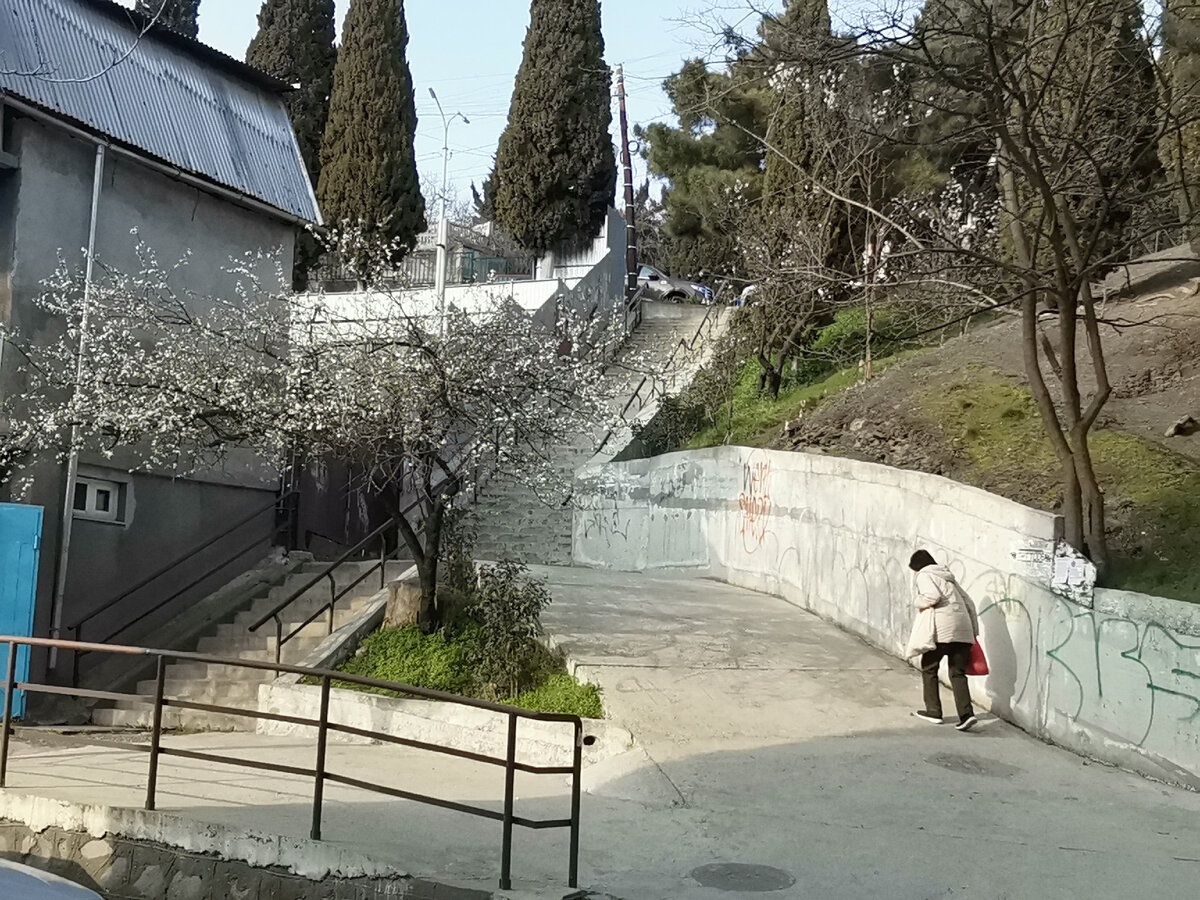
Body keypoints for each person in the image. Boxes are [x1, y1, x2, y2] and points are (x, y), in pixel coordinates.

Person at [909, 549, 979, 732]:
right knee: (957, 673)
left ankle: (934, 712)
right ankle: (966, 715)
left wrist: (917, 602)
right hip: (963, 631)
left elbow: (932, 596)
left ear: (917, 567)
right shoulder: (949, 578)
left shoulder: (925, 575)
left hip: (942, 631)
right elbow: (969, 602)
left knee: (929, 667)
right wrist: (973, 633)